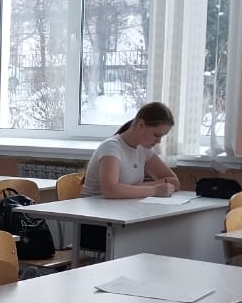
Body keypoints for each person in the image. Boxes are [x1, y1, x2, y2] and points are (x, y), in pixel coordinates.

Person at [78, 102, 182, 251]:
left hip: (123, 217)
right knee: (153, 239)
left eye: (162, 137)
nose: (158, 141)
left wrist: (134, 188)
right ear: (140, 125)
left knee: (163, 233)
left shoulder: (143, 149)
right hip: (96, 224)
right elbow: (111, 190)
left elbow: (175, 182)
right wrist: (154, 190)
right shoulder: (111, 147)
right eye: (156, 135)